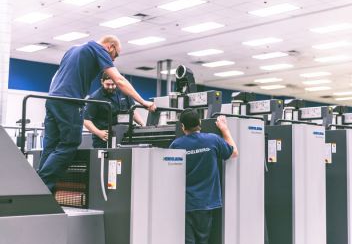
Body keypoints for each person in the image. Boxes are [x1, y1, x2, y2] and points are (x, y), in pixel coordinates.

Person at [37, 35, 156, 192]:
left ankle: (39, 190)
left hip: (52, 99)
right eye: (115, 55)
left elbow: (57, 75)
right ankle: (41, 187)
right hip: (69, 101)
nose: (113, 60)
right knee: (70, 143)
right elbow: (120, 80)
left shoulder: (73, 49)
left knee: (50, 146)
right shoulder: (98, 49)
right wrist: (144, 102)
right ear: (110, 47)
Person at [169, 108, 238, 244]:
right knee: (203, 240)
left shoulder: (176, 145)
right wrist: (225, 129)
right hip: (206, 203)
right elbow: (234, 152)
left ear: (182, 126)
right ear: (199, 122)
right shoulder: (213, 140)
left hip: (185, 204)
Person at [83, 72, 146, 148]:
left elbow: (132, 110)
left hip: (123, 135)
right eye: (108, 84)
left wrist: (143, 124)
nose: (110, 87)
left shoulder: (124, 92)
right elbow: (86, 120)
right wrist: (99, 133)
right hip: (104, 139)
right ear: (102, 82)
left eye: (113, 84)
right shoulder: (95, 98)